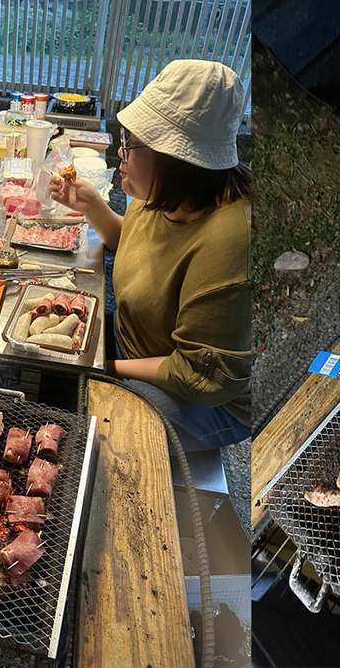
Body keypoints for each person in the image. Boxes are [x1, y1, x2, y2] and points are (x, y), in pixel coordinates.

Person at [51, 60, 251, 452]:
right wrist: (94, 208)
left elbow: (197, 372)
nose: (120, 155)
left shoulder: (229, 243)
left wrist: (104, 369)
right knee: (53, 358)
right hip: (135, 342)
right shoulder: (162, 194)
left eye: (129, 144)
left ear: (176, 160)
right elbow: (140, 249)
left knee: (102, 437)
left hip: (198, 394)